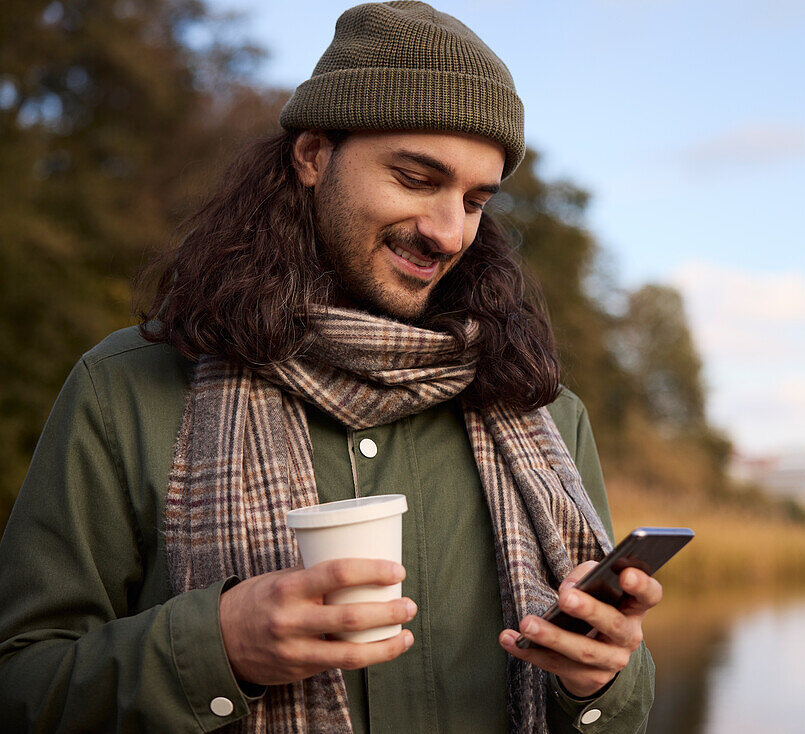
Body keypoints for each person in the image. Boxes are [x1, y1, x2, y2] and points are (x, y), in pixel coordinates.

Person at [0, 2, 659, 733]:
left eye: (475, 201)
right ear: (313, 155)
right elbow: (22, 682)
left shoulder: (544, 412)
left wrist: (602, 681)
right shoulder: (127, 387)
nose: (449, 233)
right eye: (415, 178)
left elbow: (620, 707)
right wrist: (216, 647)